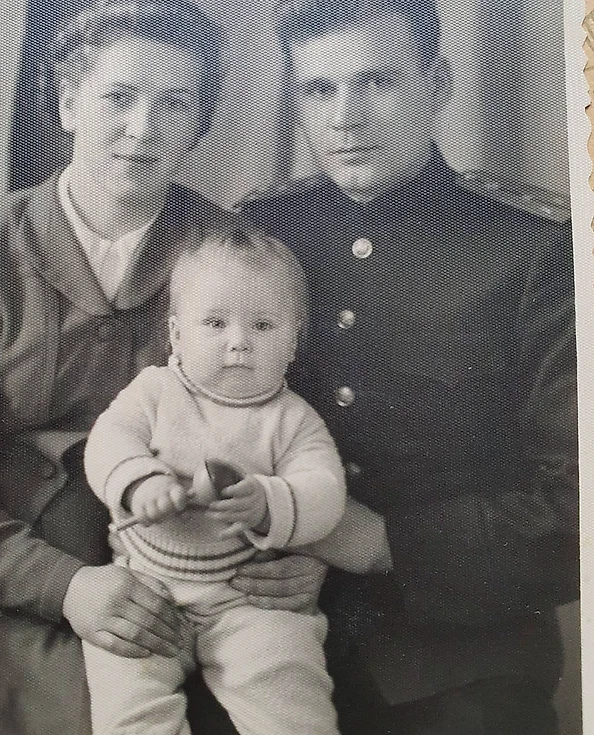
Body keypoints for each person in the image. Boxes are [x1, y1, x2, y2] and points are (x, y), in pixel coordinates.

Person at [236, 1, 579, 733]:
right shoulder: (262, 236)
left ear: (438, 83)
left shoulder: (536, 252)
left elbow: (578, 510)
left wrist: (385, 545)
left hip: (461, 662)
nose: (346, 118)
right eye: (319, 90)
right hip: (270, 631)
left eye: (377, 83)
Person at [0, 2, 240, 733]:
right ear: (67, 103)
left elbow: (261, 432)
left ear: (199, 125)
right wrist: (64, 585)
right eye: (119, 96)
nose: (143, 127)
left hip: (174, 581)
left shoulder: (229, 255)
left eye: (174, 104)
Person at [82, 226, 345, 735]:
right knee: (127, 706)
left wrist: (269, 502)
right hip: (146, 586)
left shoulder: (293, 420)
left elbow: (325, 491)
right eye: (215, 323)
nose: (239, 342)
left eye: (263, 326)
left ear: (293, 342)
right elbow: (108, 441)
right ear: (177, 335)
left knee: (289, 693)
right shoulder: (155, 391)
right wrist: (139, 482)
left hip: (247, 597)